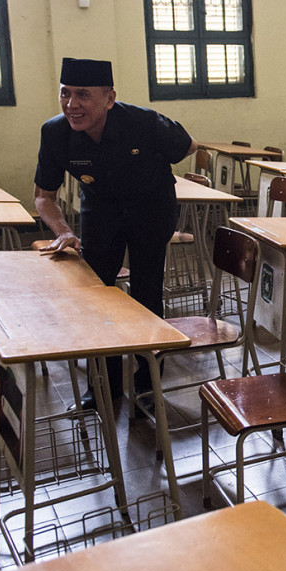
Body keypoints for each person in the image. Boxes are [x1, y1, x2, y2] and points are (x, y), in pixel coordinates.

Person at [35, 57, 197, 410]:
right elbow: (43, 197)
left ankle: (147, 384)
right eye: (65, 94)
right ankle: (104, 388)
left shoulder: (143, 122)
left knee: (146, 294)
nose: (72, 105)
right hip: (101, 210)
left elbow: (188, 146)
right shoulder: (55, 133)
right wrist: (63, 231)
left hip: (150, 208)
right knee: (98, 296)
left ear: (109, 98)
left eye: (83, 95)